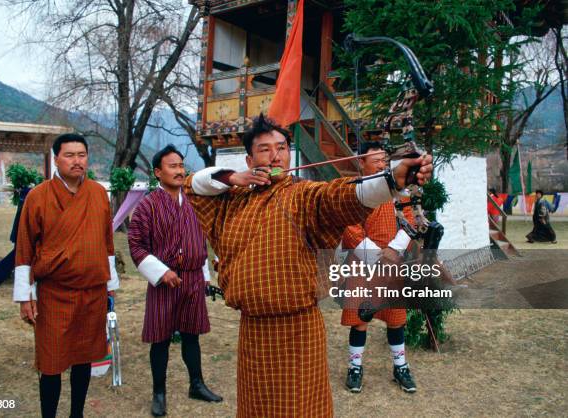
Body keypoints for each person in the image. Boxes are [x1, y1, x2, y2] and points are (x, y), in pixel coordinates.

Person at [183, 115, 433, 417]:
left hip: (299, 328)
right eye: (265, 149)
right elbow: (192, 185)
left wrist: (393, 179)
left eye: (281, 148)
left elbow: (340, 196)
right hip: (254, 331)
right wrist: (233, 178)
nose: (276, 155)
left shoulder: (304, 195)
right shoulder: (231, 200)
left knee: (302, 408)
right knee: (258, 409)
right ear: (249, 158)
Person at [14, 133, 120, 418]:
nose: (77, 161)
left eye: (82, 155)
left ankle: (77, 414)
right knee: (51, 362)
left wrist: (110, 287)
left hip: (92, 291)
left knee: (84, 358)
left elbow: (107, 243)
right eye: (69, 155)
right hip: (54, 294)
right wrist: (25, 297)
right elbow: (24, 248)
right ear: (56, 159)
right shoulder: (38, 196)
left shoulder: (98, 193)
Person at [128, 145, 222, 417]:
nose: (179, 170)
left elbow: (200, 242)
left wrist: (204, 276)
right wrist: (160, 272)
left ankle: (197, 384)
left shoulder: (194, 201)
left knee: (192, 335)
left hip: (193, 278)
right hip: (163, 281)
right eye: (172, 166)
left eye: (181, 165)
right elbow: (136, 245)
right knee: (161, 338)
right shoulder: (147, 206)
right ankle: (159, 393)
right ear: (158, 172)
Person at [340, 141, 417, 394]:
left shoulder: (399, 189)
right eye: (376, 161)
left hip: (392, 262)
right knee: (359, 319)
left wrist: (394, 250)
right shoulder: (355, 190)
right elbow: (350, 227)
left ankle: (400, 366)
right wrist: (375, 255)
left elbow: (410, 221)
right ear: (362, 164)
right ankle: (355, 367)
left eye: (384, 161)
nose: (382, 165)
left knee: (396, 319)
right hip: (363, 263)